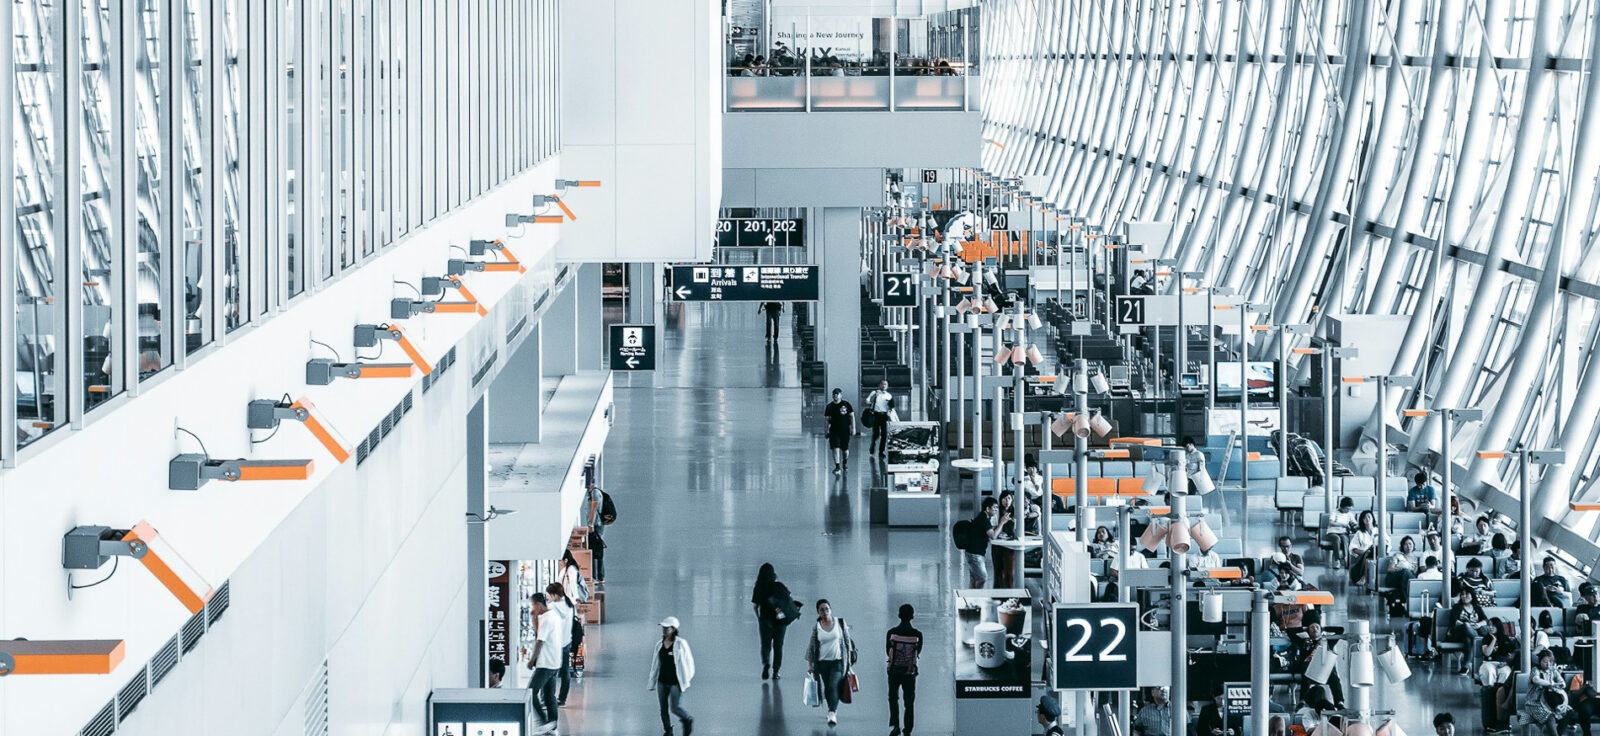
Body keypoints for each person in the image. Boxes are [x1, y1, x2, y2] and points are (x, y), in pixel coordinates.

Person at [805, 599, 858, 727]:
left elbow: (847, 642)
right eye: (821, 610)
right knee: (828, 688)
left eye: (827, 608)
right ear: (818, 612)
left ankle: (832, 712)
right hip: (822, 663)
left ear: (831, 609)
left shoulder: (840, 623)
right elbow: (812, 645)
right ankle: (831, 709)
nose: (825, 611)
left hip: (838, 662)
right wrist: (810, 663)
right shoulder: (817, 627)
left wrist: (849, 660)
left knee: (833, 686)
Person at [647, 616, 695, 736]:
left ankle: (687, 720)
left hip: (675, 682)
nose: (664, 630)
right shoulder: (659, 645)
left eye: (667, 628)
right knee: (663, 709)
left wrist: (686, 679)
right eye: (663, 628)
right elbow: (655, 665)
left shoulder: (681, 644)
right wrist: (652, 682)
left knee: (674, 708)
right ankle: (668, 730)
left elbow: (689, 663)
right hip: (662, 682)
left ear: (673, 629)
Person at [751, 562, 799, 680]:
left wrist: (759, 617)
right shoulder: (779, 586)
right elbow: (788, 601)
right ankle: (776, 671)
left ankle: (766, 663)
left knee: (766, 645)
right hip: (780, 621)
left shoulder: (759, 587)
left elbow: (755, 606)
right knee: (778, 646)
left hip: (765, 620)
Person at [525, 593, 562, 735]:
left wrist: (532, 660)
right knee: (549, 696)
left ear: (539, 604)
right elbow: (539, 633)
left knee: (531, 692)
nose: (533, 608)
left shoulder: (546, 619)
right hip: (554, 662)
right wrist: (533, 617)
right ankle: (552, 724)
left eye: (533, 605)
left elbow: (539, 640)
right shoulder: (553, 616)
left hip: (545, 664)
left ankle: (543, 722)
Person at [886, 604, 923, 736]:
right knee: (909, 701)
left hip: (894, 671)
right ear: (912, 617)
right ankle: (908, 729)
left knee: (893, 698)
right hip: (909, 672)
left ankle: (895, 726)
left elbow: (887, 652)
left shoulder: (891, 633)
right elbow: (917, 652)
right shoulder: (917, 635)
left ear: (899, 616)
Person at [1445, 588, 1490, 675]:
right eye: (1462, 594)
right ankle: (1481, 641)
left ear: (1472, 596)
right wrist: (1468, 625)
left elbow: (1485, 620)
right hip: (1457, 633)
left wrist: (1478, 624)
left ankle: (1465, 667)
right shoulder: (1457, 607)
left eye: (1467, 594)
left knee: (1468, 640)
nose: (1464, 596)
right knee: (1466, 626)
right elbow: (1454, 621)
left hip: (1468, 635)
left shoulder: (1477, 607)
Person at [545, 583, 576, 707]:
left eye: (549, 594)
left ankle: (548, 699)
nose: (547, 596)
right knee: (565, 672)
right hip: (566, 642)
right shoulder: (569, 605)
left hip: (554, 644)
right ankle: (562, 699)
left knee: (550, 672)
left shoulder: (552, 607)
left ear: (555, 595)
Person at [964, 497, 1004, 588]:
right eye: (994, 508)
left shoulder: (982, 517)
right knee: (982, 578)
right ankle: (977, 597)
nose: (996, 510)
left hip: (972, 552)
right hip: (975, 554)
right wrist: (1002, 523)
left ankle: (972, 598)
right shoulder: (984, 519)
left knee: (974, 578)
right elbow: (993, 536)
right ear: (987, 509)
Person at [823, 388, 857, 474]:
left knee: (844, 449)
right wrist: (826, 430)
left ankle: (845, 460)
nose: (835, 396)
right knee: (835, 448)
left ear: (841, 395)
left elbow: (851, 416)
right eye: (834, 394)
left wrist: (853, 428)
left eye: (837, 394)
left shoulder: (846, 405)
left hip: (845, 430)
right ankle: (837, 467)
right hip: (834, 431)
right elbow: (827, 420)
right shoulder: (829, 407)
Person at [1383, 535, 1421, 609]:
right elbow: (1390, 569)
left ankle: (1407, 601)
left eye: (1410, 544)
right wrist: (1401, 569)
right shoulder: (1397, 555)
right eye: (1406, 544)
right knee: (1405, 572)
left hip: (1407, 580)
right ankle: (1408, 601)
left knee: (1408, 575)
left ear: (1413, 546)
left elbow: (1415, 573)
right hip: (1394, 578)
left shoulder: (1416, 559)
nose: (1408, 546)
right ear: (1402, 546)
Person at [1348, 510, 1379, 587]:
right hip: (1362, 557)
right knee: (1369, 553)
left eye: (1369, 516)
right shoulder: (1359, 533)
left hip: (1377, 555)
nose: (1367, 519)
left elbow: (1387, 544)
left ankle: (1364, 577)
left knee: (1374, 549)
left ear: (1373, 518)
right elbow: (1353, 548)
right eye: (1364, 518)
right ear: (1362, 520)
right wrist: (1365, 553)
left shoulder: (1379, 531)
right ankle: (1364, 576)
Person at [865, 380, 894, 457]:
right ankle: (873, 444)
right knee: (876, 433)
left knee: (884, 434)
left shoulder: (889, 396)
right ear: (879, 385)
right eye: (882, 384)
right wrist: (871, 402)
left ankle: (881, 451)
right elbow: (867, 400)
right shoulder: (875, 393)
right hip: (876, 415)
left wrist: (889, 412)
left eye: (885, 384)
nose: (884, 386)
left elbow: (892, 406)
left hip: (884, 416)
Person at [1326, 496, 1357, 565]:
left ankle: (1346, 558)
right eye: (1347, 509)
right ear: (1342, 507)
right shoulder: (1334, 512)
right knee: (1337, 539)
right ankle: (1337, 560)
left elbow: (1354, 523)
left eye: (1349, 509)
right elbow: (1331, 523)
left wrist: (1354, 525)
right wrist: (1342, 525)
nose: (1348, 511)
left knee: (1345, 540)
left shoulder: (1349, 514)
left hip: (1343, 532)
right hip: (1332, 532)